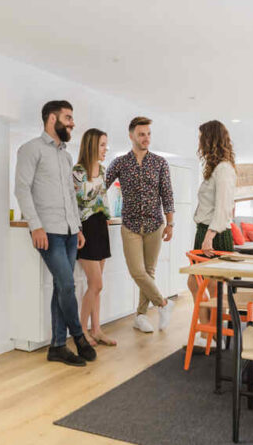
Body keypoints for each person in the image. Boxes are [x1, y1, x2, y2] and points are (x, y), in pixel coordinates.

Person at [14, 100, 96, 366]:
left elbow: (70, 196)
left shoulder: (66, 155)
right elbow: (22, 189)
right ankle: (79, 337)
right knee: (68, 284)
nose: (72, 123)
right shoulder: (30, 149)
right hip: (47, 231)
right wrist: (34, 225)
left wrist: (78, 227)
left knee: (61, 287)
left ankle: (57, 346)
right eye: (68, 117)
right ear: (52, 119)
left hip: (70, 231)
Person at [106, 116, 175, 333]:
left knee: (149, 271)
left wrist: (170, 223)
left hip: (155, 224)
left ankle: (141, 316)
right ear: (131, 136)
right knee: (137, 271)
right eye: (141, 134)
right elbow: (102, 185)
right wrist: (100, 210)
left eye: (148, 134)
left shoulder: (159, 162)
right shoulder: (120, 162)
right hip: (130, 225)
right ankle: (163, 304)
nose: (146, 138)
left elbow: (167, 194)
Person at [187, 120, 237, 348]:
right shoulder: (215, 167)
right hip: (205, 231)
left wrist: (209, 235)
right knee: (199, 283)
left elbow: (224, 206)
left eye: (202, 138)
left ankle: (211, 334)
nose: (200, 142)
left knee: (211, 286)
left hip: (213, 234)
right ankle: (210, 333)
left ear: (210, 139)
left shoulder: (224, 168)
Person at [73, 128, 117, 347]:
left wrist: (107, 217)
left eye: (106, 145)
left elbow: (103, 197)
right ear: (91, 145)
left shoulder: (101, 169)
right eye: (102, 145)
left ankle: (96, 330)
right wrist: (77, 230)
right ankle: (81, 332)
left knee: (98, 285)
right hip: (85, 228)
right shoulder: (77, 171)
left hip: (100, 225)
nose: (105, 149)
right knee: (95, 284)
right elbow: (74, 204)